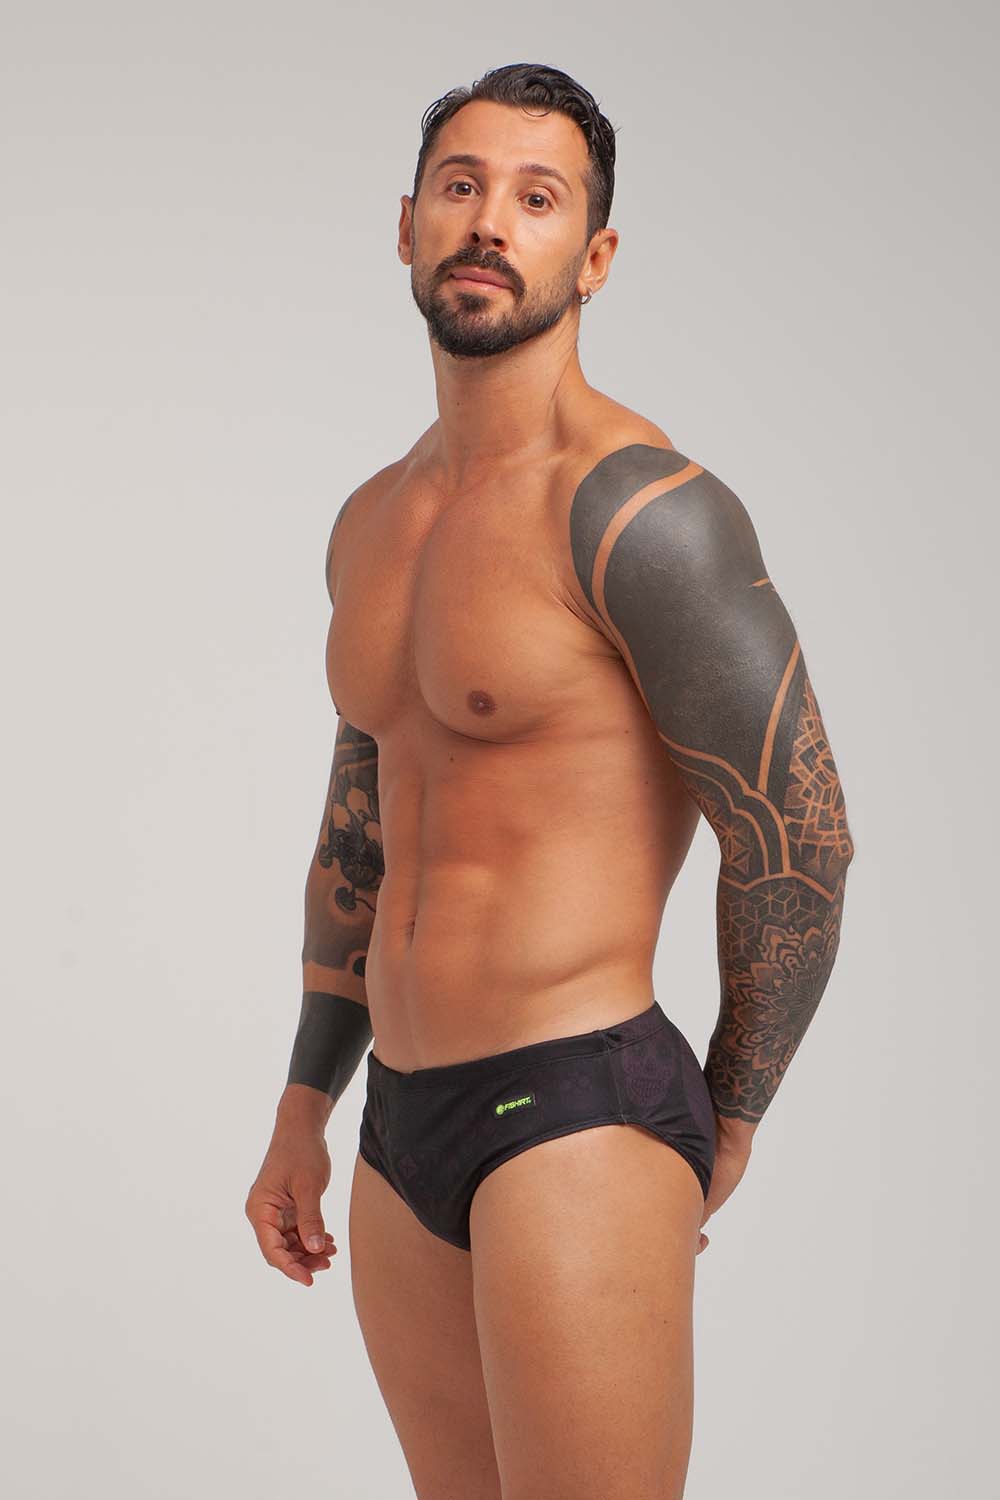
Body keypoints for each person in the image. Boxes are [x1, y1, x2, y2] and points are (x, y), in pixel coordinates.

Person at [245, 61, 855, 1500]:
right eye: (460, 187)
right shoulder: (373, 520)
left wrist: (728, 1115)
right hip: (398, 1119)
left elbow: (800, 837)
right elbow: (361, 828)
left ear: (594, 257)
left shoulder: (641, 511)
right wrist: (304, 1105)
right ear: (406, 224)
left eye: (537, 198)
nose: (488, 223)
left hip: (578, 1105)